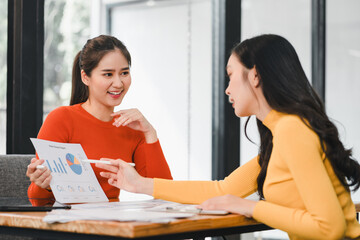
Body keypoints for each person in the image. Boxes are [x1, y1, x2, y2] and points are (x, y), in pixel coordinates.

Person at [96, 34, 360, 239]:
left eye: (231, 76)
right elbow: (222, 189)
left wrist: (249, 207)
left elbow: (330, 229)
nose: (227, 89)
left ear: (255, 76)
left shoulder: (293, 129)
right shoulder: (281, 133)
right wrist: (139, 184)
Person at [26, 35, 172, 200]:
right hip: (70, 222)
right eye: (108, 74)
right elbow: (37, 200)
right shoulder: (61, 119)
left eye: (124, 73)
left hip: (113, 222)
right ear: (85, 77)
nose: (118, 83)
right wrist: (42, 185)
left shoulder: (132, 128)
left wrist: (150, 132)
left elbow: (165, 195)